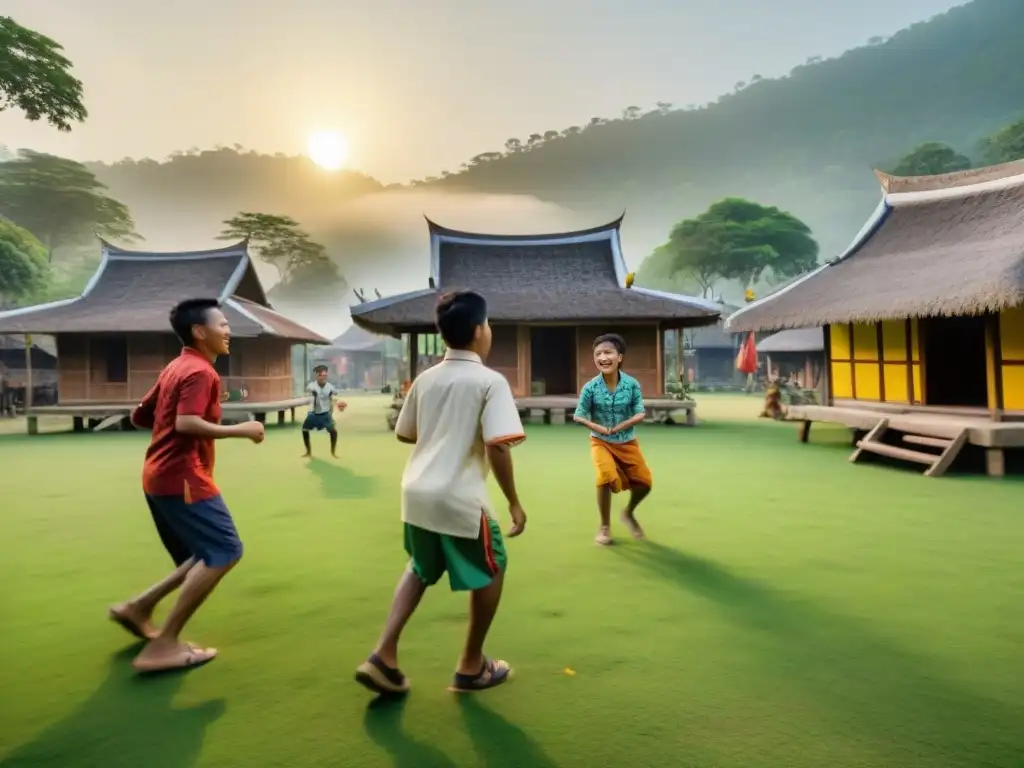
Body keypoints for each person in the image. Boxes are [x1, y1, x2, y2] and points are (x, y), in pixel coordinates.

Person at [355, 290, 527, 695]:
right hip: (459, 494)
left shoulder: (426, 379)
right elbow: (498, 445)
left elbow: (406, 433)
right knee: (494, 565)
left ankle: (383, 655)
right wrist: (515, 502)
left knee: (420, 566)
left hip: (416, 491)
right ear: (479, 330)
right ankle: (471, 666)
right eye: (488, 325)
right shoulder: (490, 381)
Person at [108, 297, 265, 674]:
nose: (229, 331)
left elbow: (139, 417)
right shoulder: (201, 372)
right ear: (200, 331)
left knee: (202, 552)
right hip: (183, 477)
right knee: (225, 550)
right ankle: (164, 645)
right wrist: (240, 429)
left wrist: (181, 422)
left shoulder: (176, 367)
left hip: (157, 475)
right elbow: (186, 424)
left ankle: (138, 608)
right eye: (223, 324)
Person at [573, 333, 653, 546]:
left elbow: (639, 413)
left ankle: (628, 513)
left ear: (620, 357)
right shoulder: (590, 387)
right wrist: (598, 427)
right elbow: (579, 415)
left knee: (645, 483)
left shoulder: (632, 384)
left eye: (608, 352)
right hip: (600, 441)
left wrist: (621, 426)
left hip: (627, 441)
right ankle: (604, 526)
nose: (602, 357)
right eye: (598, 354)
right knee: (606, 477)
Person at [301, 364, 347, 458]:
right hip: (313, 414)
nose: (323, 377)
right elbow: (310, 392)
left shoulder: (330, 387)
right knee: (304, 429)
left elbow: (335, 397)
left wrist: (339, 403)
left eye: (325, 375)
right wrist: (314, 395)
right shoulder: (312, 386)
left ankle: (333, 452)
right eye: (321, 375)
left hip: (325, 414)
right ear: (317, 375)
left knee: (333, 431)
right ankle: (308, 452)